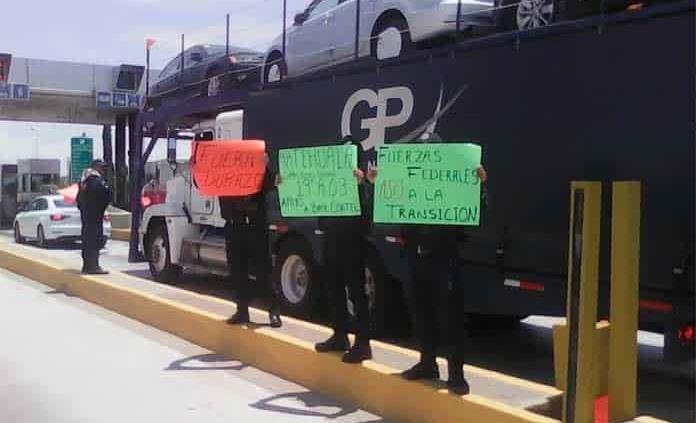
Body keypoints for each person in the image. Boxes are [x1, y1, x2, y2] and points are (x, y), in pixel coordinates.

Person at [367, 160, 488, 395]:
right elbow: (387, 205)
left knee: (450, 317)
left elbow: (477, 211)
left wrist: (480, 185)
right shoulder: (410, 183)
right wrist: (376, 184)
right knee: (420, 312)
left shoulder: (452, 185)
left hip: (444, 258)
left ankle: (456, 375)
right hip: (415, 255)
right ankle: (427, 363)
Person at [314, 136, 373, 364]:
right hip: (332, 241)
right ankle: (340, 336)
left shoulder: (364, 184)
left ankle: (363, 343)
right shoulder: (331, 181)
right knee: (334, 289)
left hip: (353, 243)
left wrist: (362, 185)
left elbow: (369, 215)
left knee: (357, 293)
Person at [219, 155, 282, 328]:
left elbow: (273, 182)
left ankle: (273, 311)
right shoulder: (221, 174)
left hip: (254, 226)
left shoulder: (256, 172)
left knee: (263, 271)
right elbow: (202, 183)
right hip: (233, 226)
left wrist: (265, 166)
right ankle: (242, 310)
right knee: (237, 271)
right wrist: (197, 167)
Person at [76, 159, 112, 275]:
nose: (103, 170)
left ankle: (86, 266)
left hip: (86, 217)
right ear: (96, 167)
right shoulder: (95, 181)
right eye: (101, 167)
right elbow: (105, 195)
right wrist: (101, 208)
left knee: (86, 240)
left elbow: (79, 201)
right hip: (95, 216)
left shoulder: (83, 182)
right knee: (95, 240)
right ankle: (94, 266)